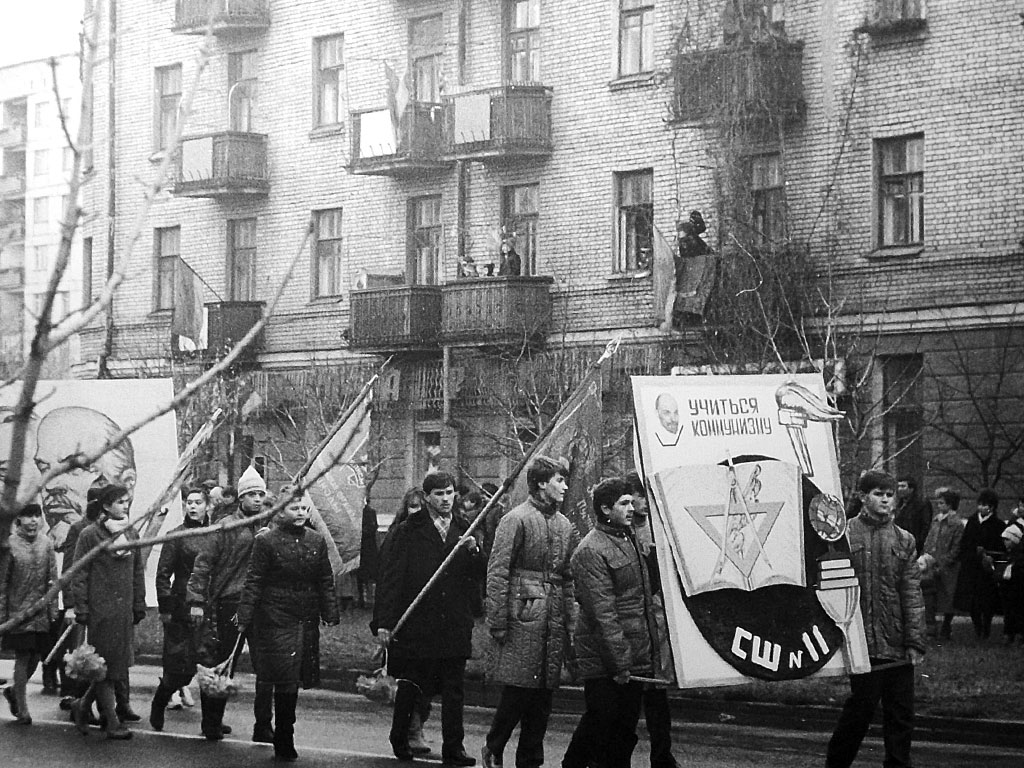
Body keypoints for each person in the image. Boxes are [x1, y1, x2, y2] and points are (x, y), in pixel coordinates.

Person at [373, 471, 485, 766]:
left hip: (453, 623)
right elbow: (391, 579)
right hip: (418, 622)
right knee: (412, 684)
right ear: (427, 497)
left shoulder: (465, 528)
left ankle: (454, 748)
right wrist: (384, 622)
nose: (446, 499)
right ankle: (400, 737)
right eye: (439, 494)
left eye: (449, 493)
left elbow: (476, 577)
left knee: (453, 689)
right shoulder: (409, 530)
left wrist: (474, 551)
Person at [482, 457, 579, 768]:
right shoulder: (515, 519)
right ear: (540, 483)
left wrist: (569, 620)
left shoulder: (564, 525)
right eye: (558, 480)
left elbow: (566, 577)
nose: (564, 486)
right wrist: (498, 619)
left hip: (552, 617)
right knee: (519, 690)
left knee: (543, 694)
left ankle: (530, 760)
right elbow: (498, 571)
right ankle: (494, 745)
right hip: (522, 612)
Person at [825, 470, 926, 768]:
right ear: (862, 497)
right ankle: (836, 763)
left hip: (896, 642)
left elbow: (911, 593)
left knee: (901, 714)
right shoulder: (844, 535)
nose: (884, 499)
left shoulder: (904, 540)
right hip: (862, 642)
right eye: (878, 493)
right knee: (861, 709)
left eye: (889, 494)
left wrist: (915, 642)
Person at [236, 485, 340, 761]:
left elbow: (324, 579)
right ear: (280, 510)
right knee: (284, 677)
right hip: (274, 617)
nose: (301, 513)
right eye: (295, 508)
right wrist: (245, 615)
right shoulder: (267, 541)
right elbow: (254, 580)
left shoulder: (315, 540)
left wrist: (330, 611)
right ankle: (283, 736)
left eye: (305, 508)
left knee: (294, 677)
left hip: (304, 617)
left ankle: (285, 730)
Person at [562, 477, 657, 768]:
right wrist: (620, 663)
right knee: (602, 724)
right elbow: (603, 613)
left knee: (623, 730)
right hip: (606, 660)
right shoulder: (591, 550)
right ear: (605, 509)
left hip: (631, 652)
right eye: (623, 503)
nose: (631, 508)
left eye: (631, 502)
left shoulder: (628, 539)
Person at [187, 464, 271, 741]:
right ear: (241, 498)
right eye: (252, 494)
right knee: (223, 662)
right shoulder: (225, 526)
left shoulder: (269, 527)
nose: (257, 499)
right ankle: (211, 721)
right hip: (230, 603)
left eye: (261, 494)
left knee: (265, 666)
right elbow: (203, 565)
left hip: (259, 603)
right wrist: (196, 600)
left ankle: (263, 726)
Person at [72, 484, 147, 740]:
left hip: (123, 612)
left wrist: (139, 603)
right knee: (103, 668)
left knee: (116, 668)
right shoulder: (90, 535)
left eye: (127, 501)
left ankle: (82, 706)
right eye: (120, 502)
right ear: (105, 506)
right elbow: (79, 573)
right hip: (100, 612)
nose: (125, 506)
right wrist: (80, 607)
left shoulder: (132, 532)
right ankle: (112, 722)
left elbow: (138, 570)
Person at [150, 487, 218, 732]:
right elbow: (162, 576)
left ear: (207, 505)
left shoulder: (216, 534)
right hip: (181, 608)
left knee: (209, 664)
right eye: (189, 502)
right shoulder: (175, 536)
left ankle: (211, 722)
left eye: (198, 502)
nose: (192, 506)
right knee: (180, 666)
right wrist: (166, 608)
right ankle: (159, 702)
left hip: (209, 608)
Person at [374, 487, 434, 756]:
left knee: (428, 680)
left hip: (429, 620)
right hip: (403, 620)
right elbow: (387, 582)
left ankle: (417, 724)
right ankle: (411, 729)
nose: (417, 512)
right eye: (412, 507)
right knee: (409, 679)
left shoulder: (434, 537)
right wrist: (383, 622)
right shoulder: (398, 536)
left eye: (422, 507)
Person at [625, 472, 680, 768]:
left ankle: (662, 753)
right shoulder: (625, 531)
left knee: (658, 693)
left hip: (657, 614)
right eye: (639, 495)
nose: (644, 502)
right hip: (635, 618)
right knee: (632, 694)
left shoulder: (658, 526)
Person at [0, 503, 58, 725]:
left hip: (40, 613)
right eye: (28, 516)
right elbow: (3, 584)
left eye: (37, 516)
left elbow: (53, 578)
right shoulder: (10, 546)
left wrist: (53, 609)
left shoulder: (47, 544)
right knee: (23, 657)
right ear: (18, 521)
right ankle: (23, 709)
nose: (33, 521)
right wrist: (3, 616)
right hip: (18, 612)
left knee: (36, 656)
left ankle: (14, 690)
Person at [955, 488, 1007, 640]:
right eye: (981, 505)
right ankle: (978, 628)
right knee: (972, 603)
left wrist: (990, 556)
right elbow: (964, 544)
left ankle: (986, 629)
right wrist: (973, 553)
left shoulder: (997, 525)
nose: (983, 508)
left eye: (987, 505)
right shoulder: (972, 521)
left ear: (992, 507)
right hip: (971, 568)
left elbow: (1001, 547)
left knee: (987, 602)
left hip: (987, 570)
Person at [918, 488, 965, 640]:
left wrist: (944, 562)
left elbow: (957, 547)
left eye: (942, 503)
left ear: (950, 505)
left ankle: (946, 626)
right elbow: (929, 539)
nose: (939, 506)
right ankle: (931, 627)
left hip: (948, 567)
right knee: (930, 596)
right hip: (932, 563)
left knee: (948, 597)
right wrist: (926, 557)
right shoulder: (936, 521)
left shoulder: (956, 523)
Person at [998, 519, 1024, 644]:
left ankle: (1018, 634)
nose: (1005, 542)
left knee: (1018, 611)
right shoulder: (1006, 555)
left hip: (1017, 587)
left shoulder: (1019, 557)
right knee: (1008, 612)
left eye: (1007, 540)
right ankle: (1008, 633)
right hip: (1007, 588)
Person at [894, 477, 932, 556]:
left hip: (914, 545)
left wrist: (918, 543)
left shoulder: (921, 504)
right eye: (898, 486)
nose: (900, 489)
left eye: (903, 486)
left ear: (911, 489)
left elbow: (926, 526)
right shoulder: (899, 505)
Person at [358, 498, 381, 608]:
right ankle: (361, 598)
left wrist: (360, 531)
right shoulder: (356, 512)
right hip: (360, 548)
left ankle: (371, 598)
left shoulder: (370, 512)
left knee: (371, 574)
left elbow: (372, 527)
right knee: (361, 575)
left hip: (369, 548)